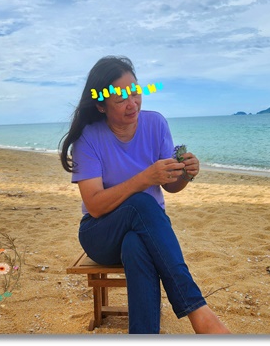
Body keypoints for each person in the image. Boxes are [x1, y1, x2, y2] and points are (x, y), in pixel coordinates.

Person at [60, 56, 230, 334]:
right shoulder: (88, 138)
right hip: (100, 233)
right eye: (121, 98)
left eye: (135, 92)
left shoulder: (155, 124)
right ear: (101, 105)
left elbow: (170, 186)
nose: (132, 103)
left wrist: (185, 174)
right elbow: (95, 205)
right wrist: (144, 179)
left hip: (148, 229)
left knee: (135, 245)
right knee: (140, 201)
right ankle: (199, 313)